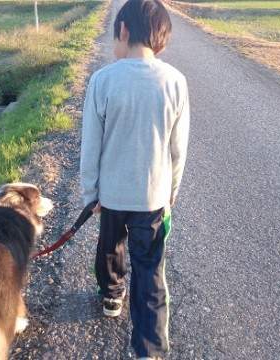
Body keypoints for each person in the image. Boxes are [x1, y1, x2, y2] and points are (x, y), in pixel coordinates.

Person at [79, 0, 190, 358]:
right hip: (153, 198)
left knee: (109, 248)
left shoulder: (102, 80)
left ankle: (111, 295)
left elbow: (90, 145)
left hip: (111, 195)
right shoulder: (175, 81)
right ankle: (149, 348)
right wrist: (171, 190)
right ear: (161, 42)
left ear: (123, 30)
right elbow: (178, 148)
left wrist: (90, 192)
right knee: (150, 270)